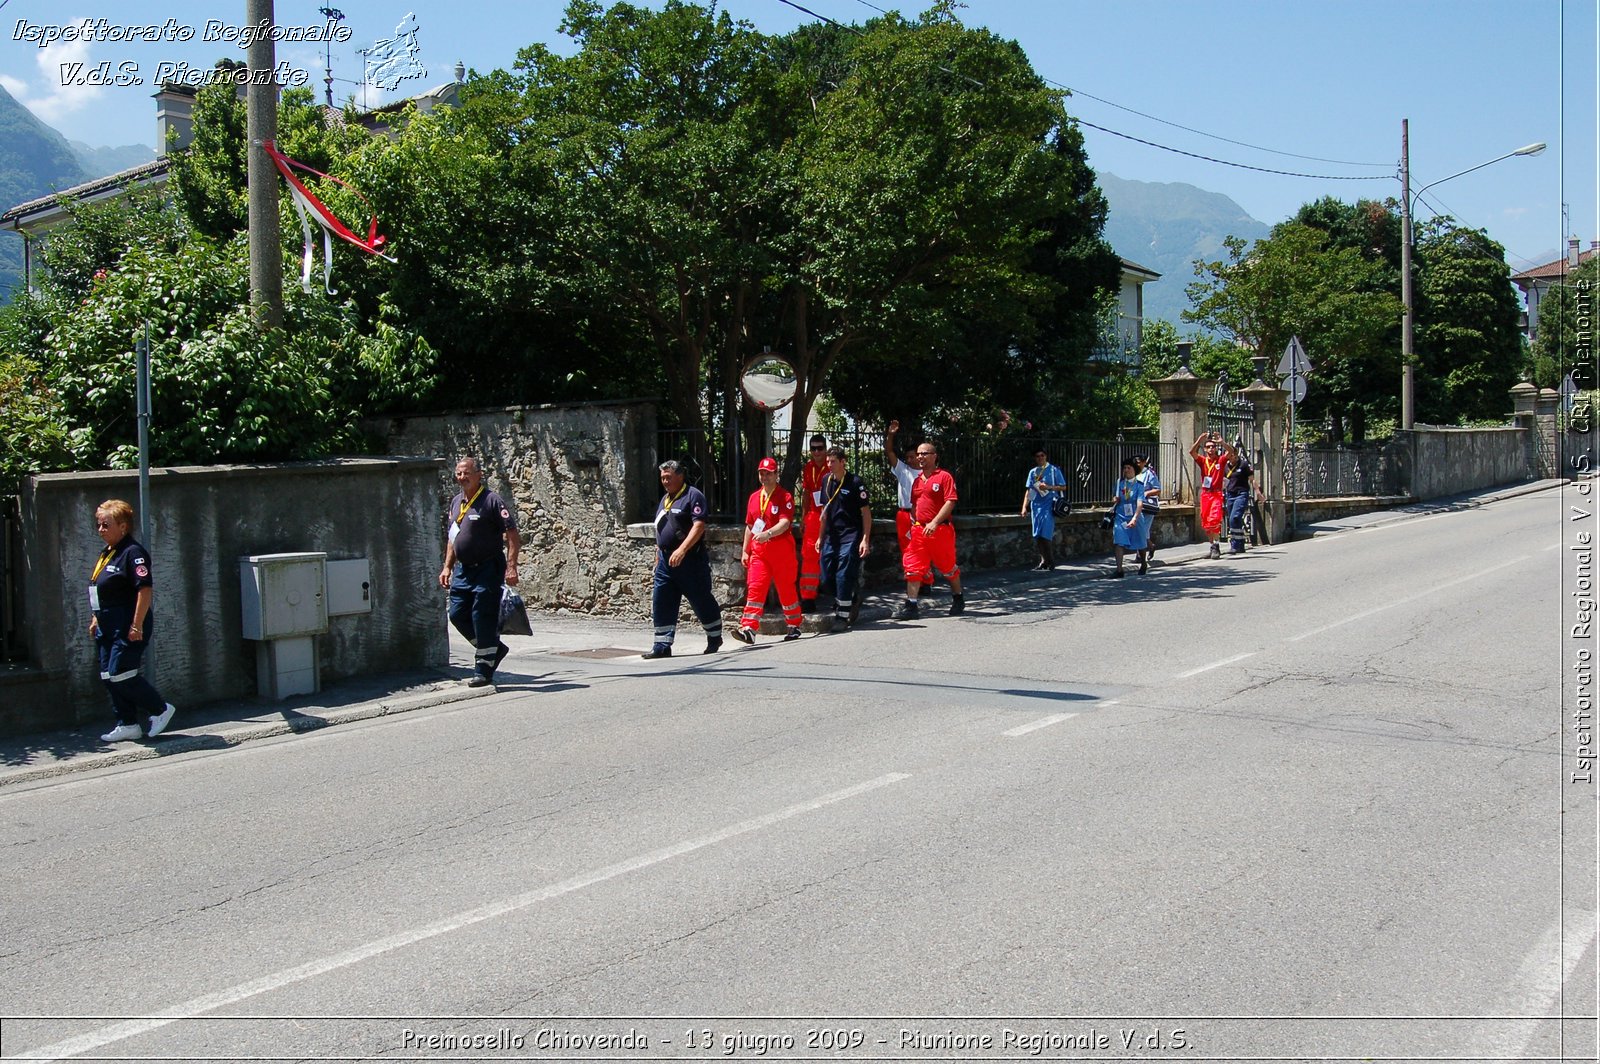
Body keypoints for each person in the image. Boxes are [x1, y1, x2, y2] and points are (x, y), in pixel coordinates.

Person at [88, 499, 176, 743]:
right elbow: (103, 590)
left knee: (121, 672)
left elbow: (144, 590)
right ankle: (127, 723)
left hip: (126, 624)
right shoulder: (108, 553)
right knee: (108, 674)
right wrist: (95, 617)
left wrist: (136, 624)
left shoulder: (133, 553)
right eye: (99, 524)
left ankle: (160, 709)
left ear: (123, 527)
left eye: (106, 525)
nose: (101, 529)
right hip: (106, 623)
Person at [439, 456, 521, 687]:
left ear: (478, 475)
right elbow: (452, 538)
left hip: (487, 568)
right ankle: (493, 649)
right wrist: (447, 566)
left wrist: (511, 566)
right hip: (463, 571)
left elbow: (513, 535)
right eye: (458, 473)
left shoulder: (492, 501)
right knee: (456, 614)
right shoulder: (456, 502)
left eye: (466, 473)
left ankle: (483, 670)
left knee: (481, 616)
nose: (462, 478)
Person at [644, 460, 724, 659]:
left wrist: (681, 550)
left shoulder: (693, 496)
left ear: (680, 476)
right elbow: (660, 530)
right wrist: (658, 556)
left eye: (668, 477)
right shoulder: (665, 499)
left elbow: (698, 526)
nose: (665, 481)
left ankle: (714, 636)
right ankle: (662, 645)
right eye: (662, 478)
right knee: (661, 599)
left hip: (689, 559)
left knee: (700, 598)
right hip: (665, 560)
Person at [734, 457, 803, 644]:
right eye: (761, 473)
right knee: (755, 588)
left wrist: (768, 534)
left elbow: (785, 523)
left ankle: (794, 625)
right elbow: (750, 526)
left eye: (768, 473)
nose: (764, 476)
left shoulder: (785, 496)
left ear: (776, 474)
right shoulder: (754, 497)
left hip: (781, 550)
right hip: (759, 551)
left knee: (786, 589)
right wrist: (745, 550)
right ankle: (748, 628)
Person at [893, 439, 965, 619]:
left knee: (947, 567)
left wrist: (934, 522)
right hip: (919, 531)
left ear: (934, 456)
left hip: (940, 530)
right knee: (912, 566)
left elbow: (950, 501)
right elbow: (915, 505)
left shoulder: (944, 477)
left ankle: (958, 598)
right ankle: (911, 606)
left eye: (924, 453)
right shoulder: (917, 481)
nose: (920, 457)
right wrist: (916, 523)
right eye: (918, 454)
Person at [816, 445, 872, 630]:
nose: (829, 465)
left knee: (843, 575)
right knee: (825, 577)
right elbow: (824, 512)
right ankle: (851, 596)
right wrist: (820, 537)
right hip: (832, 536)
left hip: (851, 535)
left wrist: (865, 539)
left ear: (843, 462)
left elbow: (866, 513)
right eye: (828, 462)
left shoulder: (855, 482)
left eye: (833, 461)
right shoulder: (826, 480)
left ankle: (842, 616)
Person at [883, 421, 932, 591]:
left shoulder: (928, 473)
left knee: (923, 548)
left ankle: (926, 581)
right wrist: (891, 434)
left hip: (921, 515)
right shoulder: (902, 469)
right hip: (904, 514)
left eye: (913, 456)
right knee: (908, 549)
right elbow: (889, 451)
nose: (910, 460)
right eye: (908, 457)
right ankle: (913, 580)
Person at [1190, 431, 1236, 559]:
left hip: (1216, 494)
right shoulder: (1203, 461)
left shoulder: (1220, 460)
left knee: (1214, 519)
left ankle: (1216, 544)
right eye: (1208, 446)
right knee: (1206, 521)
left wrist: (1222, 442)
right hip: (1206, 494)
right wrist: (1199, 441)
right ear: (1205, 449)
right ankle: (1212, 546)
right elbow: (1192, 452)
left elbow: (1231, 451)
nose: (1211, 448)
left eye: (1213, 446)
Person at [1019, 448, 1066, 571]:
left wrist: (1049, 487)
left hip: (1049, 505)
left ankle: (1050, 561)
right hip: (1036, 506)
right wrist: (1024, 507)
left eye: (1042, 455)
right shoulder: (1033, 472)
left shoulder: (1053, 470)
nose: (1040, 458)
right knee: (1038, 535)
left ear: (1046, 456)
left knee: (1046, 534)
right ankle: (1043, 561)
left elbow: (1063, 487)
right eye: (1037, 456)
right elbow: (1029, 491)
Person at [796, 433, 828, 610]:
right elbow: (806, 493)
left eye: (820, 448)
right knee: (809, 555)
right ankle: (808, 597)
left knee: (833, 554)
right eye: (813, 448)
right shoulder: (808, 467)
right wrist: (803, 518)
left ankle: (841, 595)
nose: (816, 452)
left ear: (825, 449)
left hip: (830, 516)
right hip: (814, 515)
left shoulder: (832, 466)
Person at [1223, 441, 1265, 555]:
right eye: (1230, 456)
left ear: (1236, 455)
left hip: (1241, 494)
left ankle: (1235, 544)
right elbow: (1223, 482)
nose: (1232, 458)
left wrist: (1258, 492)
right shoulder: (1225, 467)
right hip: (1230, 494)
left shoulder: (1244, 464)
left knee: (1234, 518)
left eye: (1234, 456)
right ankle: (1240, 544)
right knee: (1232, 520)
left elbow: (1252, 479)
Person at [1109, 458, 1147, 577]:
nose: (1126, 470)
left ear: (1134, 470)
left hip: (1135, 517)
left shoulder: (1139, 485)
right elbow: (1115, 498)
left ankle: (1144, 562)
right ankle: (1119, 570)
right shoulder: (1119, 483)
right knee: (1118, 542)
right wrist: (1115, 499)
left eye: (1128, 468)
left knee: (1140, 543)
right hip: (1121, 517)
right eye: (1124, 468)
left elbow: (1140, 503)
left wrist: (1135, 518)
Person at [1133, 454, 1162, 570]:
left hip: (1147, 507)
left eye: (1139, 462)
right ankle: (1150, 546)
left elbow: (1158, 489)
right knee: (1138, 529)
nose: (1137, 464)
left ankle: (1140, 554)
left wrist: (1146, 493)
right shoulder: (1133, 473)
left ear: (1144, 462)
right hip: (1136, 506)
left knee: (1142, 530)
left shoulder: (1149, 474)